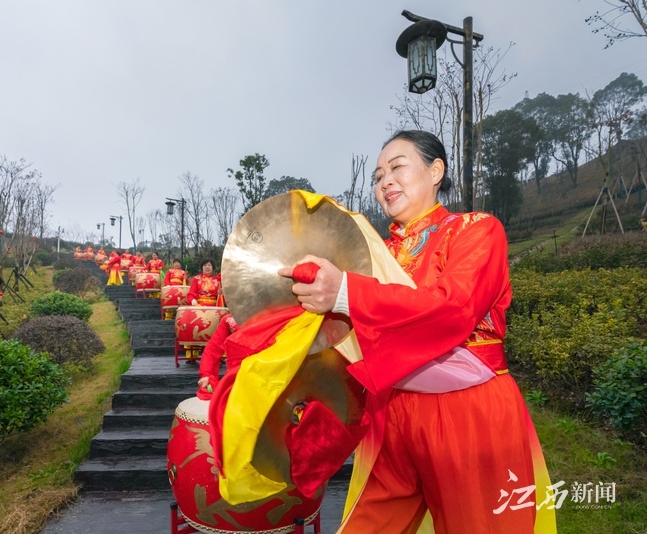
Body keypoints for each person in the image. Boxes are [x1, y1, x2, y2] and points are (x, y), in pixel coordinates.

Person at [278, 130, 553, 533]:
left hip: (468, 411)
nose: (384, 181)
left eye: (397, 167)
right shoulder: (375, 256)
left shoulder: (477, 230)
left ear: (436, 170)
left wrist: (346, 292)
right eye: (377, 176)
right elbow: (349, 345)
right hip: (391, 412)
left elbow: (453, 308)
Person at [197, 313, 239, 399]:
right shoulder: (230, 320)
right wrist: (206, 375)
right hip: (237, 377)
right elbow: (213, 349)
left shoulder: (273, 319)